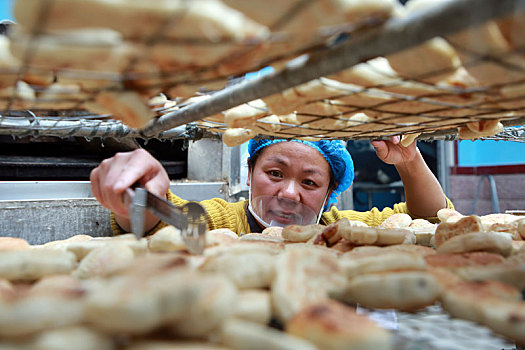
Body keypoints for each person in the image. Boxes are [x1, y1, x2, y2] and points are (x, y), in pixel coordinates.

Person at [90, 136, 453, 236]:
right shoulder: (226, 222)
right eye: (275, 174)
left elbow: (431, 223)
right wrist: (143, 198)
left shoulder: (340, 232)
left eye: (310, 182)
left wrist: (409, 161)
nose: (289, 194)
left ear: (330, 196)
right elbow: (179, 224)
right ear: (249, 175)